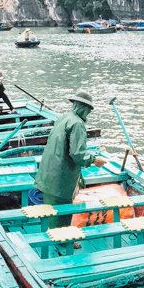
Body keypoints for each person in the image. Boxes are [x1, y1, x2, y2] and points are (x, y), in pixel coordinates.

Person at [33, 91, 106, 228]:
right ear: (84, 108)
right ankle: (62, 242)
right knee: (62, 212)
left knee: (51, 208)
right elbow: (78, 154)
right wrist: (95, 160)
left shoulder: (64, 117)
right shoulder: (77, 124)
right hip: (60, 177)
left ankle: (52, 233)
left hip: (47, 172)